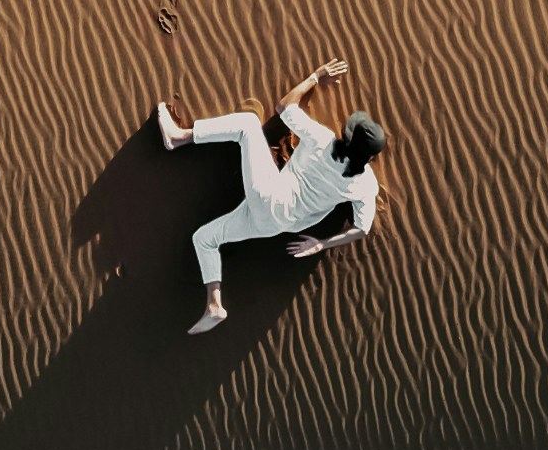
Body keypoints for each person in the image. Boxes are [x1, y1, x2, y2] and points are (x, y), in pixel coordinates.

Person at [153, 60, 387, 334]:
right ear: (370, 157)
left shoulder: (322, 139)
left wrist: (315, 76)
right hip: (275, 226)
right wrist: (321, 244)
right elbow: (362, 228)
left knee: (248, 124)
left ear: (347, 138)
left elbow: (284, 107)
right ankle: (214, 304)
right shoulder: (365, 185)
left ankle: (179, 137)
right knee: (204, 239)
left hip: (270, 195)